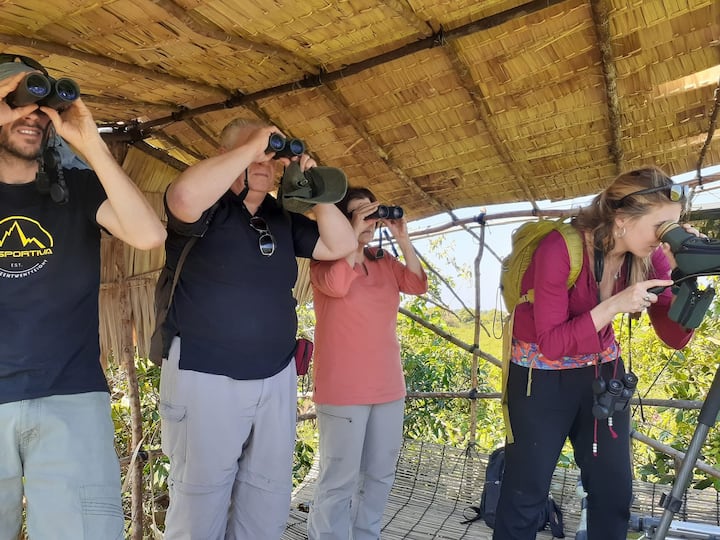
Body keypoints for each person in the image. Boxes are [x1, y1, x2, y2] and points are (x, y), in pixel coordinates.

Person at [159, 118, 357, 540]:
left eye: (272, 154)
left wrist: (314, 188)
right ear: (228, 154)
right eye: (256, 151)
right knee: (199, 502)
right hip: (204, 371)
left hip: (276, 374)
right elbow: (182, 197)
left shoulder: (279, 216)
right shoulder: (206, 205)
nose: (265, 160)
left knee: (267, 497)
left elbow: (340, 245)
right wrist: (251, 148)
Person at [0, 55, 166, 540]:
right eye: (15, 100)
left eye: (41, 106)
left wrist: (89, 141)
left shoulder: (77, 188)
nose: (31, 115)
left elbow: (149, 235)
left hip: (72, 395)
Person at [493, 166, 698, 540]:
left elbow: (675, 336)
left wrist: (689, 275)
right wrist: (615, 305)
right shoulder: (559, 247)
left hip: (602, 372)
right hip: (540, 377)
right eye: (660, 226)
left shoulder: (650, 254)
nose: (664, 237)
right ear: (621, 220)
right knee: (526, 493)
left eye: (672, 226)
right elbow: (552, 344)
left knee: (613, 492)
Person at [307, 188, 428, 540]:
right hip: (343, 390)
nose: (369, 221)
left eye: (372, 213)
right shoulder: (323, 262)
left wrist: (402, 238)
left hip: (388, 388)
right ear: (342, 219)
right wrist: (351, 239)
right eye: (359, 213)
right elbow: (336, 285)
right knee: (338, 479)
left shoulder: (383, 261)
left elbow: (418, 284)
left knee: (379, 475)